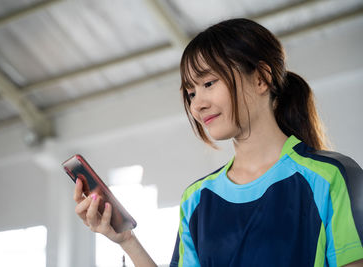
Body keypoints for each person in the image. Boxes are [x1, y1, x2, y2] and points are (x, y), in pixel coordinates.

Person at [73, 18, 363, 267]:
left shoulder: (330, 177)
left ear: (261, 78)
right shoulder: (196, 199)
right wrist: (126, 239)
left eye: (209, 83)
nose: (197, 104)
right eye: (190, 93)